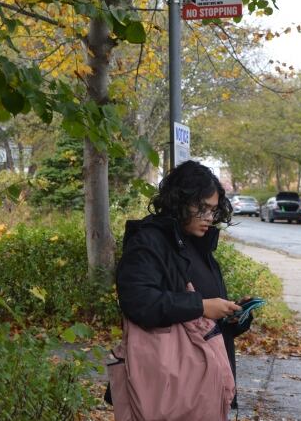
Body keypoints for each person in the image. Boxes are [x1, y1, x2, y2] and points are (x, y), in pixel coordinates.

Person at [116, 160, 254, 414]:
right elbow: (138, 301)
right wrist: (201, 306)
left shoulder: (199, 245)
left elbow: (206, 321)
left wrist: (234, 316)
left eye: (213, 210)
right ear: (179, 202)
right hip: (171, 390)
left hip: (205, 385)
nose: (209, 218)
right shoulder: (149, 242)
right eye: (201, 208)